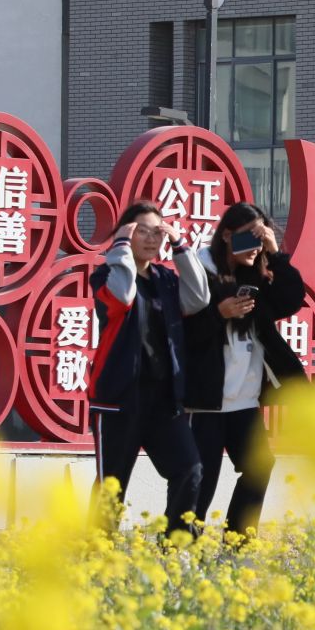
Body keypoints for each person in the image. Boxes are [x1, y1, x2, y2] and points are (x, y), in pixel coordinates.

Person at [182, 202, 306, 535]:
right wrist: (218, 314)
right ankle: (181, 548)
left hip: (245, 401)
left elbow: (291, 299)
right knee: (201, 479)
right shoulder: (199, 271)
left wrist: (275, 252)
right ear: (226, 235)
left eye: (259, 238)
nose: (254, 246)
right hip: (206, 402)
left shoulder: (258, 277)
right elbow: (182, 333)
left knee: (259, 468)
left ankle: (238, 543)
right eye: (246, 238)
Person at [89, 200, 210, 531]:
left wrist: (180, 247)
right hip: (119, 398)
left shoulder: (165, 279)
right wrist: (121, 247)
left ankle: (176, 545)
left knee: (190, 469)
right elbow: (123, 296)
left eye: (158, 232)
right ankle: (96, 553)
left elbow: (199, 298)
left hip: (164, 399)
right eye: (142, 231)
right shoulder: (106, 275)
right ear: (126, 233)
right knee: (111, 486)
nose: (152, 239)